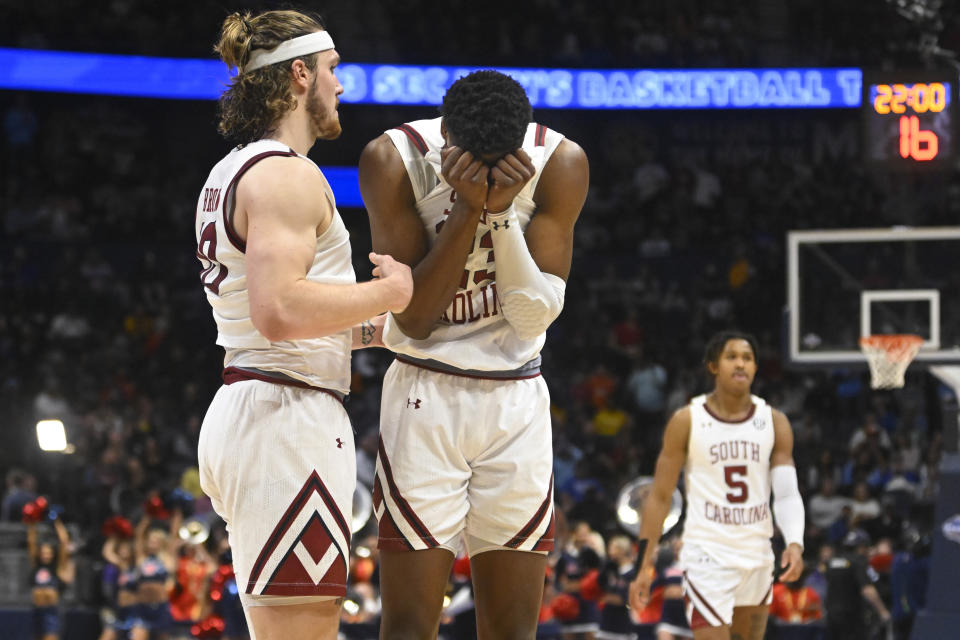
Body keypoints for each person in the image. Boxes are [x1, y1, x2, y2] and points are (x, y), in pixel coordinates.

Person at [195, 9, 413, 640]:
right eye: (332, 69)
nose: (340, 84)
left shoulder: (234, 170)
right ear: (299, 75)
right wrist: (386, 291)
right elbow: (281, 310)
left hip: (259, 401)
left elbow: (278, 315)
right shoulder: (285, 174)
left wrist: (384, 327)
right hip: (283, 420)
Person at [358, 69, 589, 638]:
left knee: (512, 630)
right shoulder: (393, 159)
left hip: (516, 396)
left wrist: (501, 213)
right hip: (425, 390)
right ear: (447, 140)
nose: (487, 173)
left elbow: (533, 314)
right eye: (471, 160)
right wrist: (467, 210)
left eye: (499, 160)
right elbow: (414, 316)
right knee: (410, 625)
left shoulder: (560, 161)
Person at [628, 331, 806, 640]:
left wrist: (795, 541)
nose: (741, 364)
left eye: (747, 358)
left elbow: (788, 492)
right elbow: (659, 497)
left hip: (757, 554)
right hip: (707, 556)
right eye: (731, 357)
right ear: (713, 366)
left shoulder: (775, 422)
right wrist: (644, 564)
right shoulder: (687, 420)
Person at [823, 529, 891, 640]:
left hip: (831, 615)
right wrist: (883, 611)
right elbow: (867, 589)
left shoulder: (832, 562)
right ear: (861, 547)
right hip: (851, 616)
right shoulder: (858, 561)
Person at [27, 514, 74, 640]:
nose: (46, 555)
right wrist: (32, 523)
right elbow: (31, 542)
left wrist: (57, 522)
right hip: (37, 610)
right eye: (43, 553)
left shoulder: (57, 567)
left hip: (51, 611)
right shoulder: (36, 566)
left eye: (48, 553)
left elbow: (64, 542)